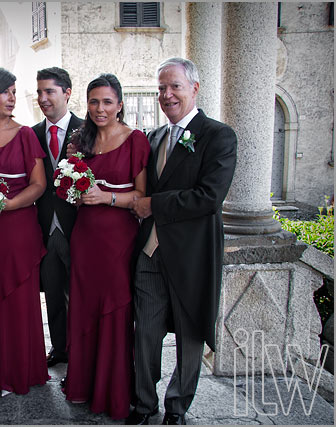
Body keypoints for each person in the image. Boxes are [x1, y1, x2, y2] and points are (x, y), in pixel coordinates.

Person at [128, 58, 237, 425]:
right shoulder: (154, 137)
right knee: (145, 332)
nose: (167, 95)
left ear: (195, 88)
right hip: (150, 253)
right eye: (161, 88)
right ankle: (144, 405)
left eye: (174, 86)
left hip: (191, 256)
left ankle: (177, 408)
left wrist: (152, 205)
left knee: (191, 336)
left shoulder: (218, 135)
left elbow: (209, 197)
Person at [63, 74, 150, 419]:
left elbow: (142, 197)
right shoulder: (80, 140)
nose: (100, 109)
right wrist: (70, 179)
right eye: (94, 102)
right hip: (84, 237)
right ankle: (83, 384)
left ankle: (111, 391)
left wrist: (107, 197)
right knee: (83, 308)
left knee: (114, 309)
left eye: (107, 102)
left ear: (120, 105)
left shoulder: (136, 140)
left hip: (118, 238)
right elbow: (70, 191)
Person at [0, 66, 50, 396]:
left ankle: (25, 371)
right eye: (6, 91)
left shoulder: (26, 134)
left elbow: (39, 184)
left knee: (21, 300)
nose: (13, 98)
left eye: (15, 91)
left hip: (19, 228)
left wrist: (8, 205)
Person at [31, 67, 84, 368]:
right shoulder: (33, 134)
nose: (42, 98)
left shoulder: (87, 130)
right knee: (52, 291)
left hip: (77, 226)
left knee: (78, 293)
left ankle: (80, 351)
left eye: (49, 91)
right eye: (39, 92)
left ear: (67, 93)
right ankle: (60, 348)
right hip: (45, 225)